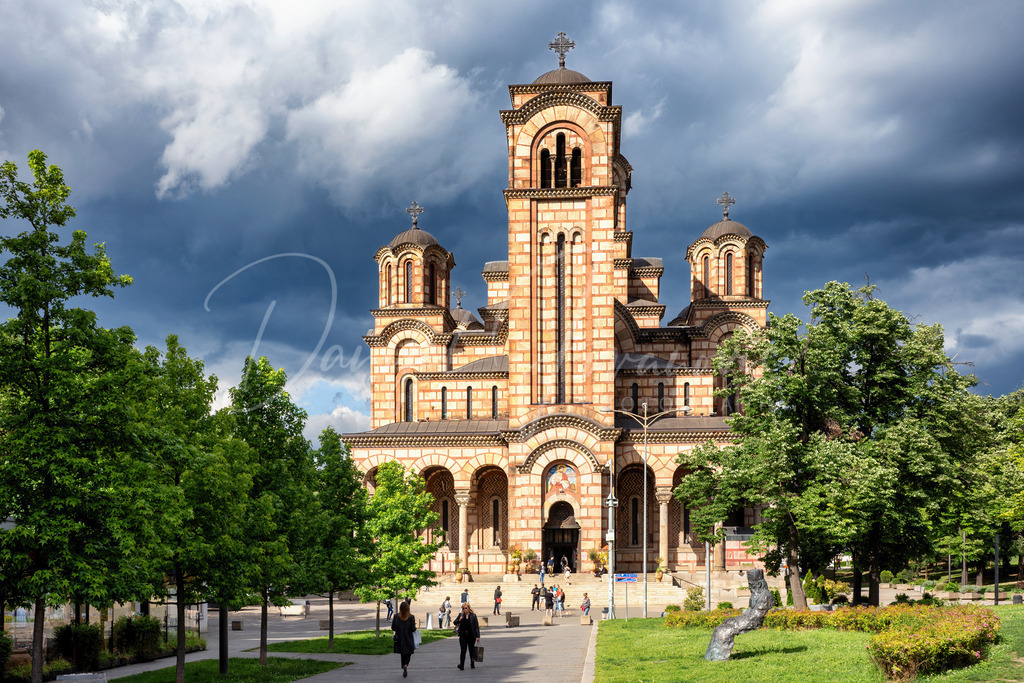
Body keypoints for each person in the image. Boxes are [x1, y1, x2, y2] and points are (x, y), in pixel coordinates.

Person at [391, 600, 417, 678]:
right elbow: (413, 629)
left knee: (402, 653)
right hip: (408, 638)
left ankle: (403, 665)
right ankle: (406, 665)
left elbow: (393, 628)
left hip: (400, 638)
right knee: (408, 654)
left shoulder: (396, 616)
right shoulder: (411, 617)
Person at [453, 601, 481, 670]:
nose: (464, 610)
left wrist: (478, 636)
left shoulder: (473, 615)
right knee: (463, 650)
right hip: (463, 635)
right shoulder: (461, 615)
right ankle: (461, 665)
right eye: (463, 608)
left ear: (468, 608)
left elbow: (476, 626)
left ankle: (472, 664)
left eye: (465, 608)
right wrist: (459, 620)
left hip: (471, 635)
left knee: (471, 650)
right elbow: (454, 622)